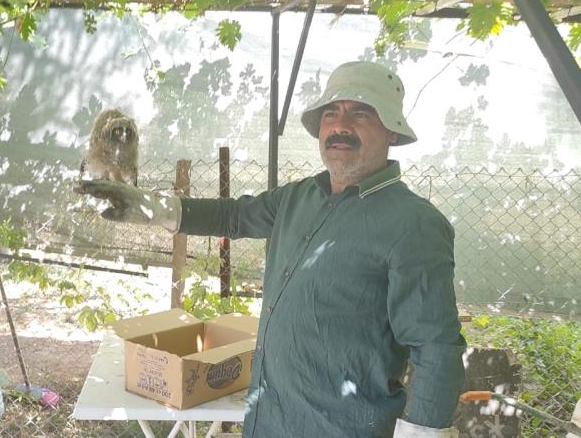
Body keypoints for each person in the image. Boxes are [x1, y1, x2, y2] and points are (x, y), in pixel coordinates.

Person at [76, 61, 466, 437]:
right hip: (269, 417)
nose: (340, 126)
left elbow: (436, 349)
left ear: (392, 132)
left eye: (361, 114)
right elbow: (232, 216)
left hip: (341, 428)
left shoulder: (414, 224)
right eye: (331, 114)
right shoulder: (299, 197)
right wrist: (145, 207)